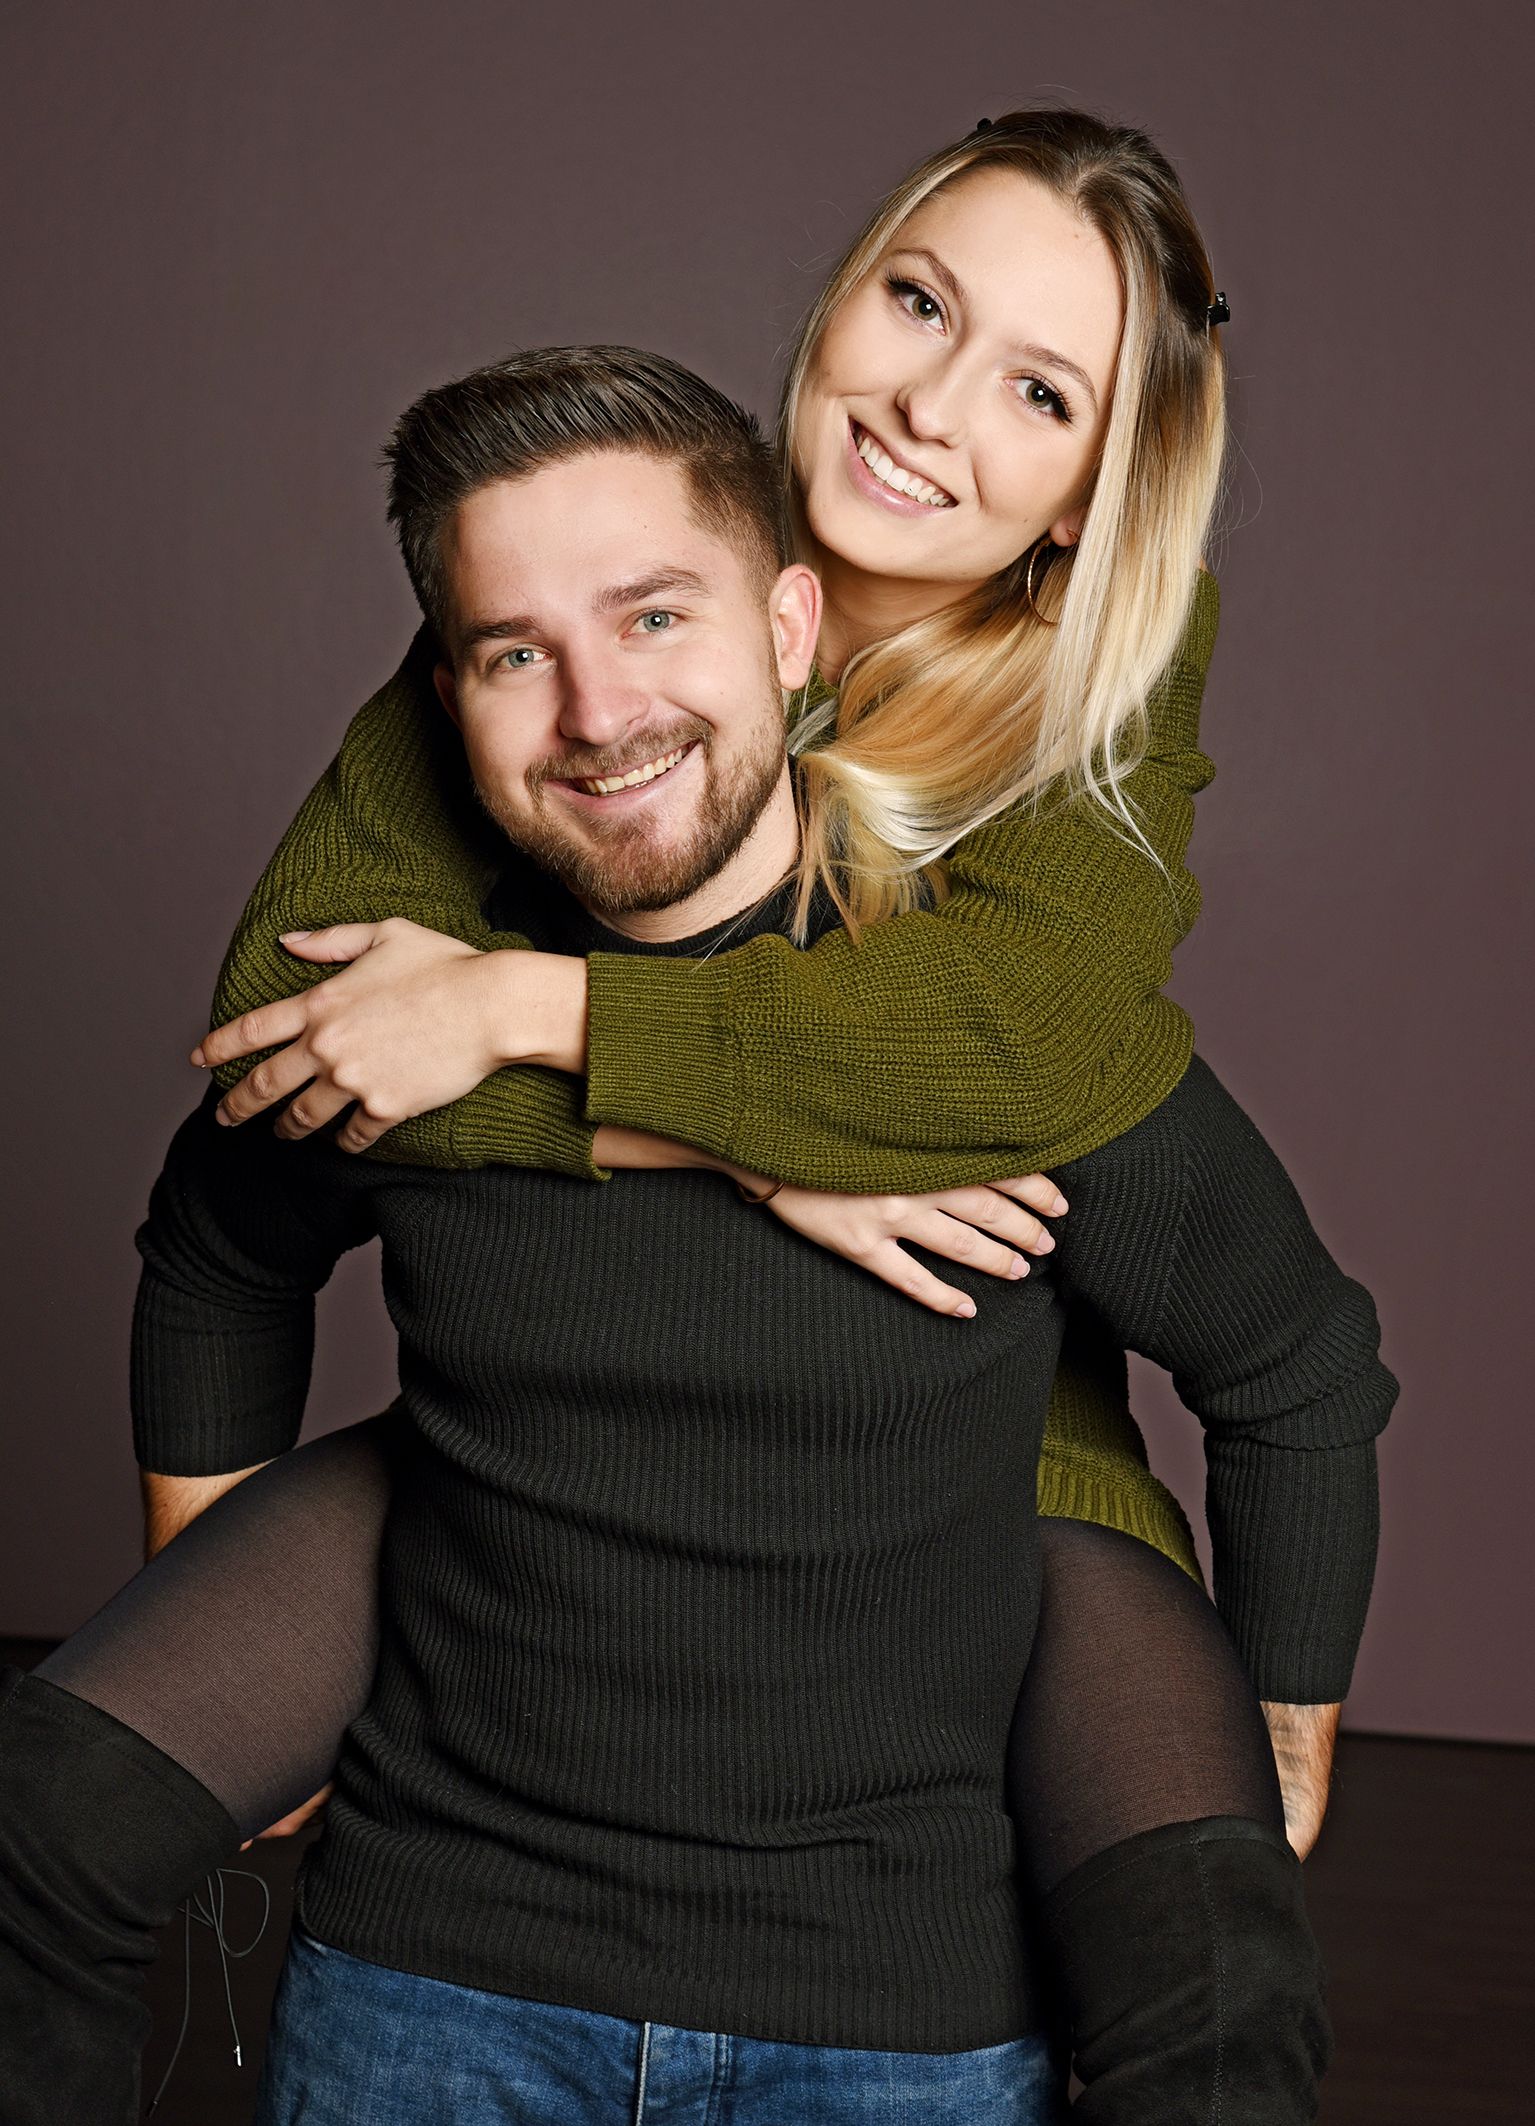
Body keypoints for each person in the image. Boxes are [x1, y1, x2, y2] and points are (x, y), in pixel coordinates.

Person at [0, 348, 1394, 2125]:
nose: (601, 711)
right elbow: (217, 1245)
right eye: (518, 654)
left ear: (791, 630)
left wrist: (1280, 1744)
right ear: (446, 696)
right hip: (438, 1985)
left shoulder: (980, 1040)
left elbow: (1295, 1363)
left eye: (657, 616)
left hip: (894, 2017)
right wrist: (201, 1604)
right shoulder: (415, 1009)